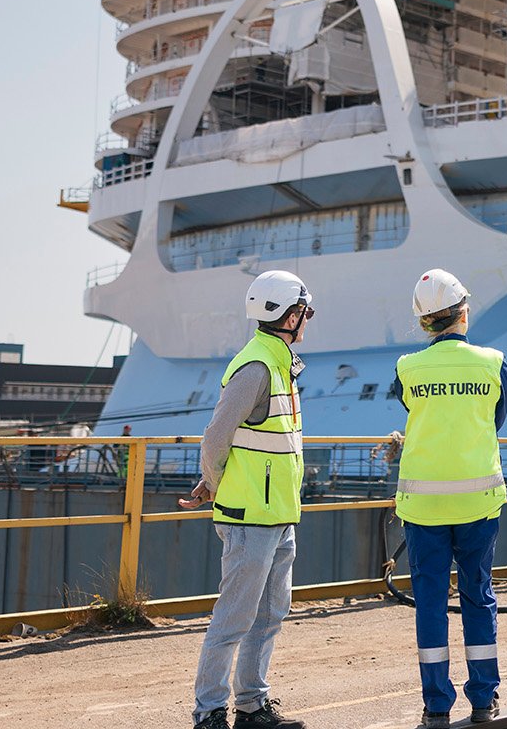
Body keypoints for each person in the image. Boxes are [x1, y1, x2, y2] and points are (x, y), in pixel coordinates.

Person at [179, 270, 314, 729]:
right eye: (306, 311)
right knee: (235, 617)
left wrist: (215, 479)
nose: (309, 319)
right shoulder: (256, 366)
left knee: (270, 614)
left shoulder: (279, 363)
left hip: (276, 514)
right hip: (249, 517)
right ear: (290, 315)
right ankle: (209, 711)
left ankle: (253, 706)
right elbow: (216, 437)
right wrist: (213, 481)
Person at [393, 269, 507, 728]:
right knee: (478, 596)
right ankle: (483, 699)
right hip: (478, 503)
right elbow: (496, 418)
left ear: (425, 323)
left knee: (429, 601)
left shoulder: (407, 368)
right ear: (465, 311)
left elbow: (413, 409)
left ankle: (436, 706)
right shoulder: (492, 362)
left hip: (422, 507)